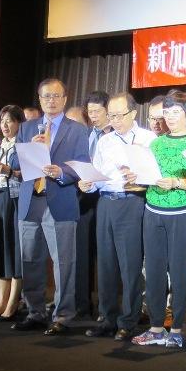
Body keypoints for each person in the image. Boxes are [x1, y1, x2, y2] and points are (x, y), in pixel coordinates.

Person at [10, 78, 90, 334]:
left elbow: (83, 164)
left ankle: (63, 316)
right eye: (46, 96)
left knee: (63, 262)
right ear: (40, 99)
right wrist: (29, 149)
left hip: (60, 199)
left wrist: (61, 172)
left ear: (65, 99)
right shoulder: (27, 127)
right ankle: (35, 312)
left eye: (56, 96)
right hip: (30, 200)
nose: (51, 101)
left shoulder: (77, 130)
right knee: (30, 259)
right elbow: (14, 162)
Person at [80, 92, 156, 340]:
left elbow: (156, 175)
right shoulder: (105, 141)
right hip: (105, 202)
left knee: (130, 264)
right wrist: (87, 183)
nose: (115, 121)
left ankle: (129, 320)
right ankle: (107, 318)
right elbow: (97, 174)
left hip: (132, 201)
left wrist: (140, 177)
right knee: (106, 264)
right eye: (111, 116)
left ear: (133, 113)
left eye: (119, 115)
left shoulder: (148, 139)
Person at [132, 90, 186, 349]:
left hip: (183, 212)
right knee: (153, 270)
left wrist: (177, 182)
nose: (170, 117)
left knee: (180, 271)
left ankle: (177, 328)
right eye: (167, 112)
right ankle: (155, 327)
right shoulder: (156, 143)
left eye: (176, 112)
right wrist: (135, 175)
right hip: (153, 210)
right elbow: (148, 174)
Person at [0, 105, 24, 322]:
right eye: (2, 121)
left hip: (14, 199)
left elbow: (30, 174)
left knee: (13, 249)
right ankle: (1, 301)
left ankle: (13, 302)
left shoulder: (23, 145)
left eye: (9, 121)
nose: (5, 125)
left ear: (19, 123)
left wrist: (10, 171)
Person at [75, 90, 110, 319]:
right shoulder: (86, 135)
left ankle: (106, 307)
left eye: (97, 111)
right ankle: (82, 304)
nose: (93, 116)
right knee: (82, 252)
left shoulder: (115, 137)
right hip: (85, 197)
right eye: (90, 112)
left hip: (107, 197)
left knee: (105, 255)